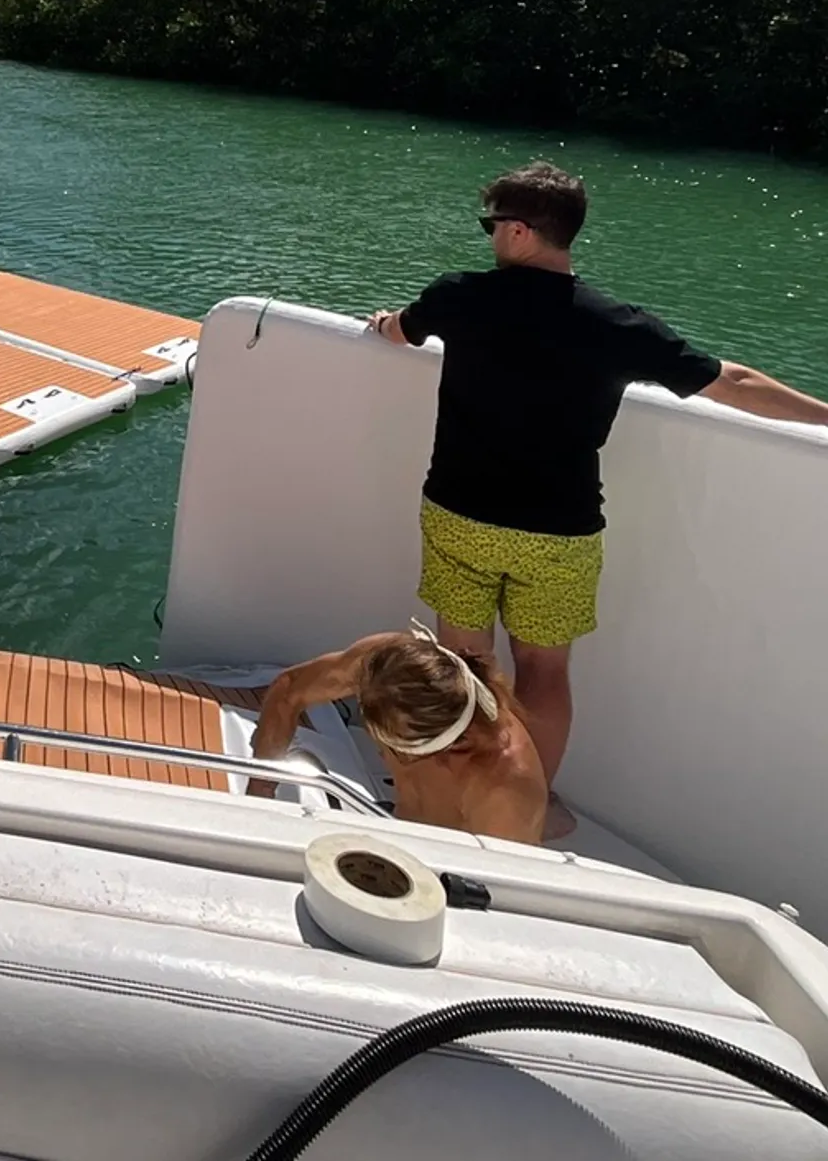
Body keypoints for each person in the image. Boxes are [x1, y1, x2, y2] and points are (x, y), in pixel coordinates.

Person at [370, 160, 828, 835]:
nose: (488, 237)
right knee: (544, 672)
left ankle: (448, 795)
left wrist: (382, 321)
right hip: (559, 532)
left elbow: (401, 330)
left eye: (491, 224)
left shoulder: (460, 296)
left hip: (460, 513)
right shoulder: (617, 325)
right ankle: (530, 805)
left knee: (464, 666)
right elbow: (731, 379)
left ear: (521, 230)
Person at [249, 624, 547, 844]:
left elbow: (494, 895)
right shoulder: (389, 666)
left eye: (391, 748)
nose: (382, 754)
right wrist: (259, 797)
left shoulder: (506, 790)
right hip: (391, 826)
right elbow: (288, 691)